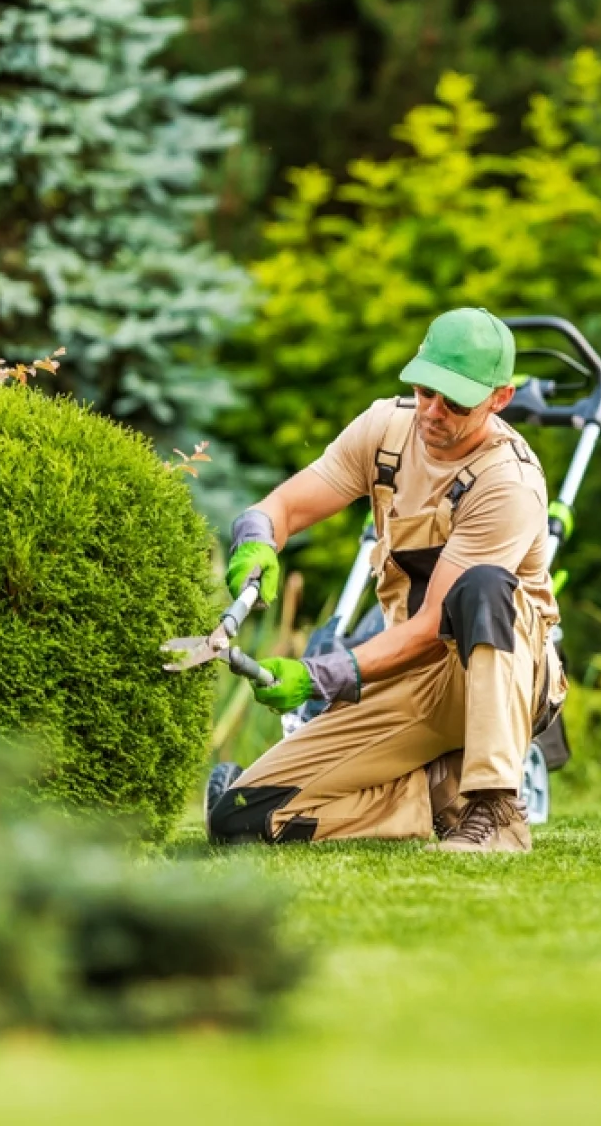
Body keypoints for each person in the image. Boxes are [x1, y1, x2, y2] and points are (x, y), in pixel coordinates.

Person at [206, 307, 565, 853]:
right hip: (405, 677)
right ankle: (432, 792)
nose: (434, 412)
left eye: (456, 401)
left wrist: (317, 675)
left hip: (494, 675)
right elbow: (285, 506)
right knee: (238, 818)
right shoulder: (385, 429)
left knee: (484, 586)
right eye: (425, 391)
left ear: (500, 398)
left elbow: (428, 629)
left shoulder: (507, 482)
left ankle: (496, 809)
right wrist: (256, 538)